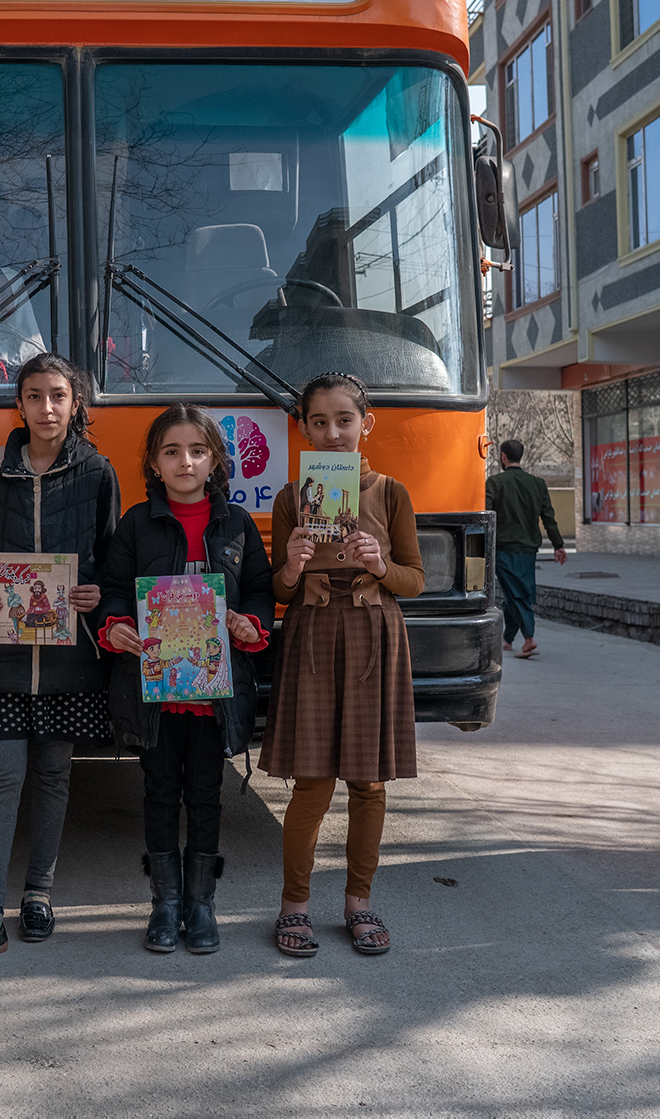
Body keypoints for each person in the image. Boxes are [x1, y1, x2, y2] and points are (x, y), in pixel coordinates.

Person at [0, 353, 120, 972]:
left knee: (53, 774)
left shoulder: (98, 471)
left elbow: (107, 556)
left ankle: (39, 895)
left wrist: (96, 592)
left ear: (76, 405)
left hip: (71, 650)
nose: (46, 408)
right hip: (8, 652)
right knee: (2, 774)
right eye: (34, 396)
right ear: (17, 405)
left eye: (58, 396)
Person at [94, 405, 275, 955]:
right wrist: (117, 625)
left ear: (215, 460)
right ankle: (164, 903)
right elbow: (114, 588)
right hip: (157, 691)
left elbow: (262, 589)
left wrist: (250, 624)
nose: (185, 461)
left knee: (205, 793)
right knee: (159, 792)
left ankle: (201, 905)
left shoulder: (236, 524)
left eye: (197, 451)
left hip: (214, 692)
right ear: (153, 461)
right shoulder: (136, 522)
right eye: (171, 451)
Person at [263, 372, 425, 957]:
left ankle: (360, 903)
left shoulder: (391, 493)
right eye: (319, 422)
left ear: (366, 424)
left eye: (344, 420)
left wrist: (380, 565)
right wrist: (290, 565)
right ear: (302, 427)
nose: (333, 433)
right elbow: (278, 592)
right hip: (311, 632)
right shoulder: (289, 498)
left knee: (368, 782)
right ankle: (295, 905)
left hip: (373, 635)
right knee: (310, 783)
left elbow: (414, 581)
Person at [485, 439, 566, 659]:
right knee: (517, 592)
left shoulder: (494, 483)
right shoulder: (537, 484)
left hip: (503, 549)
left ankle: (529, 639)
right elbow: (549, 518)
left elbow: (485, 517)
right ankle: (508, 639)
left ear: (503, 456)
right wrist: (558, 545)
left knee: (516, 594)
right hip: (529, 550)